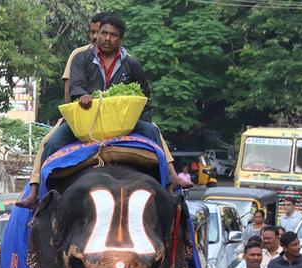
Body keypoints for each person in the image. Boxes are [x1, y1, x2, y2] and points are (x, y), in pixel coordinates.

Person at [19, 14, 182, 209]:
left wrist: (141, 120)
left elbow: (144, 96)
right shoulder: (82, 58)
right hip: (87, 121)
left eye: (113, 35)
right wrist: (82, 96)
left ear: (120, 38)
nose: (106, 38)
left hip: (122, 123)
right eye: (103, 33)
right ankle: (36, 193)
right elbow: (76, 85)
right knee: (51, 142)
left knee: (152, 131)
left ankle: (169, 185)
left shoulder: (131, 64)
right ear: (98, 35)